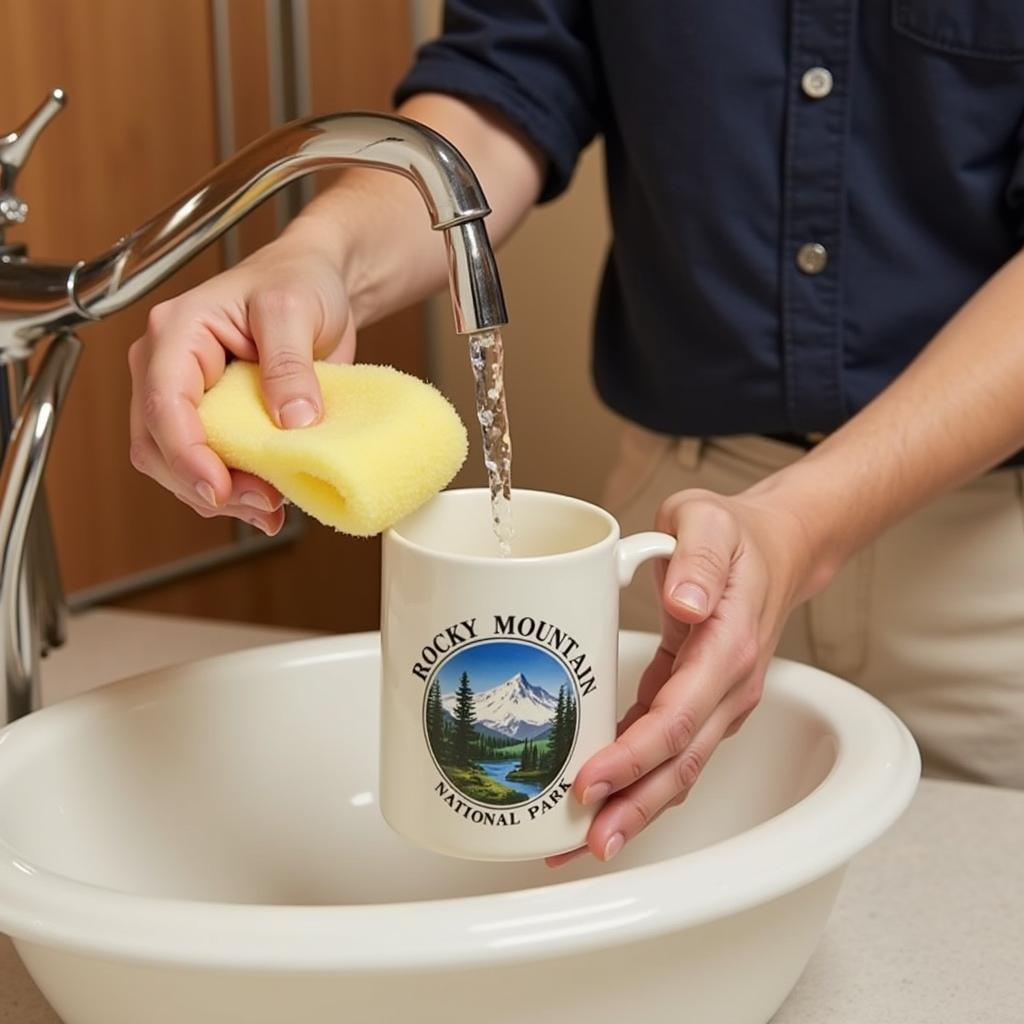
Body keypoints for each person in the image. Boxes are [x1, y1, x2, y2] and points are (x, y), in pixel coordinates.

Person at [129, 3, 1024, 864]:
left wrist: (800, 520)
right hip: (685, 542)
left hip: (983, 575)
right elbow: (505, 78)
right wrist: (320, 256)